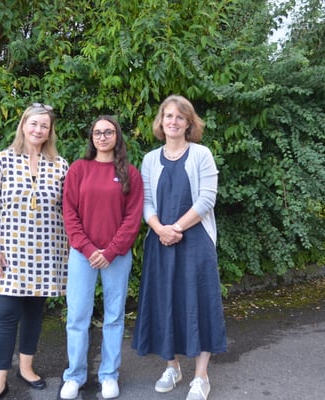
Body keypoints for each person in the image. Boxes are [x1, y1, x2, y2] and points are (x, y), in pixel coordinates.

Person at [132, 95, 227, 400]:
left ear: (189, 123)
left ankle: (201, 376)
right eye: (168, 116)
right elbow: (146, 201)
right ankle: (172, 367)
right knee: (164, 303)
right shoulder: (150, 159)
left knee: (200, 303)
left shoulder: (201, 154)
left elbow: (207, 199)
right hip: (160, 242)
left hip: (196, 241)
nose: (173, 121)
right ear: (161, 121)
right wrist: (160, 228)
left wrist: (175, 228)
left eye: (180, 117)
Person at [0, 103, 69, 400]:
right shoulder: (2, 160)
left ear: (50, 131)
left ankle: (26, 368)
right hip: (10, 253)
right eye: (34, 124)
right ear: (23, 125)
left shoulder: (60, 165)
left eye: (44, 126)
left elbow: (69, 209)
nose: (38, 130)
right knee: (6, 315)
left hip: (46, 253)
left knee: (34, 314)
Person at [59, 115, 144, 400]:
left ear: (117, 136)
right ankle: (74, 376)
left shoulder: (130, 173)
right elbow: (69, 213)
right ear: (91, 137)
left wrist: (110, 251)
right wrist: (87, 248)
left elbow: (132, 218)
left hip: (116, 256)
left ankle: (109, 375)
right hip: (82, 255)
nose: (103, 137)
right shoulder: (78, 169)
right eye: (98, 132)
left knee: (114, 316)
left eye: (108, 132)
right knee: (77, 316)